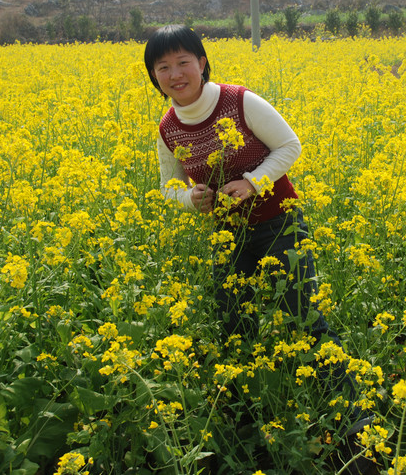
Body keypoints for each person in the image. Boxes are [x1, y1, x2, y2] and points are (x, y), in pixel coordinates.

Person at [144, 25, 372, 473]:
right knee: (234, 320)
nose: (175, 73)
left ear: (202, 62)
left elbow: (290, 146)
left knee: (302, 314)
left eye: (182, 61)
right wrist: (188, 198)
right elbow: (167, 186)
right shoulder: (168, 128)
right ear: (154, 77)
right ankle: (252, 412)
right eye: (163, 67)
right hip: (226, 234)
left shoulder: (240, 101)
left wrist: (252, 182)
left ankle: (354, 419)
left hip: (278, 222)